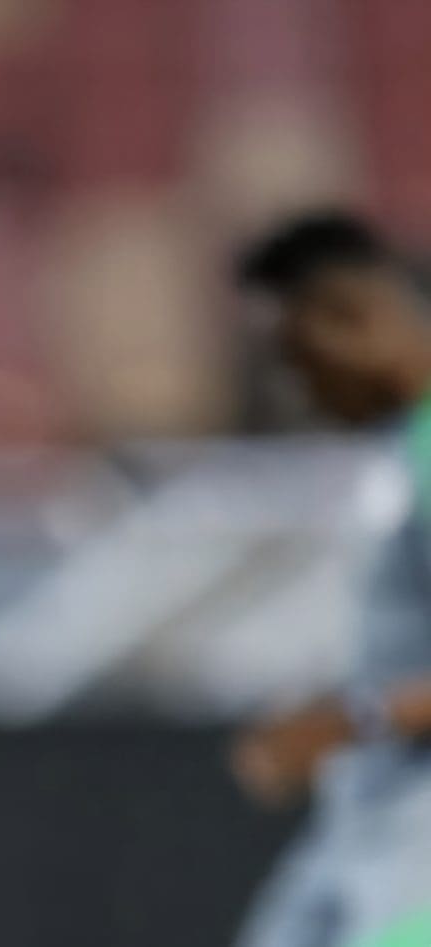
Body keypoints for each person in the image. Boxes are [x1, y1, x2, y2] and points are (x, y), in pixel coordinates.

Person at [232, 211, 431, 947]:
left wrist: (353, 718)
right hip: (371, 820)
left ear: (356, 315)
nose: (299, 388)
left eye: (297, 356)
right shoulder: (400, 445)